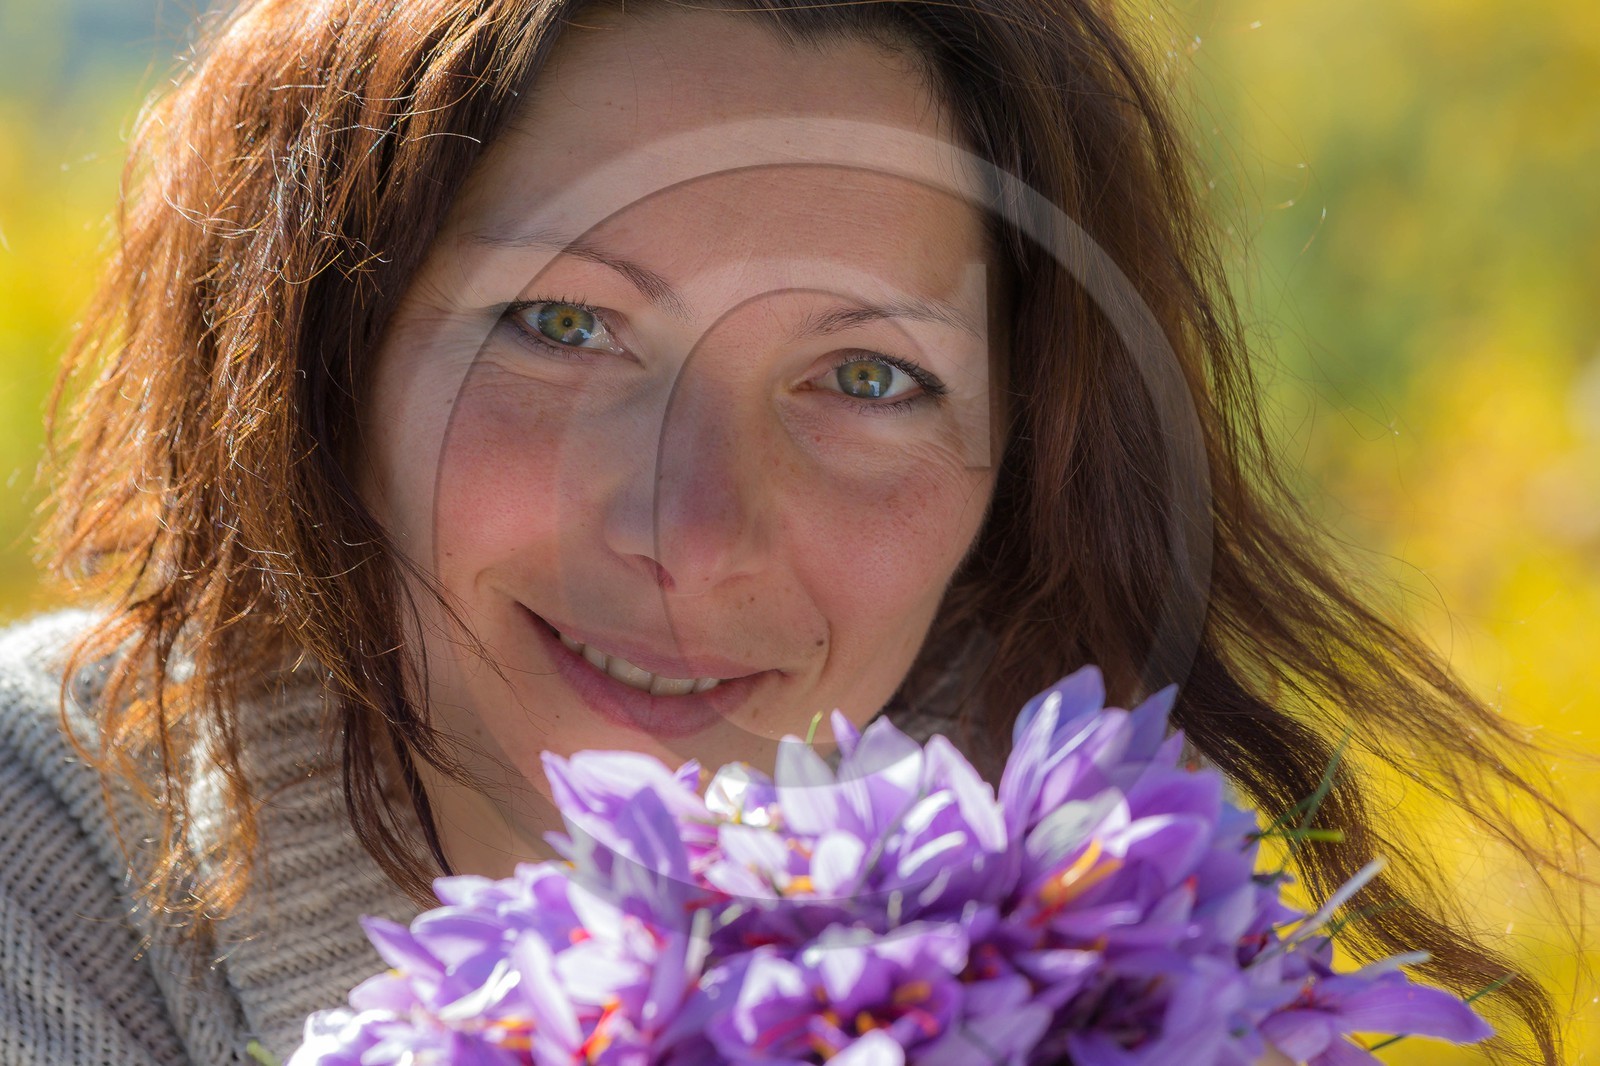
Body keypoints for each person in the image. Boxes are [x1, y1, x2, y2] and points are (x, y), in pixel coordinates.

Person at [0, 0, 1584, 1063]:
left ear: (1026, 456)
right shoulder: (35, 864)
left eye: (868, 376)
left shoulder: (1129, 923)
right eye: (562, 324)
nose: (695, 532)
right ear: (321, 355)